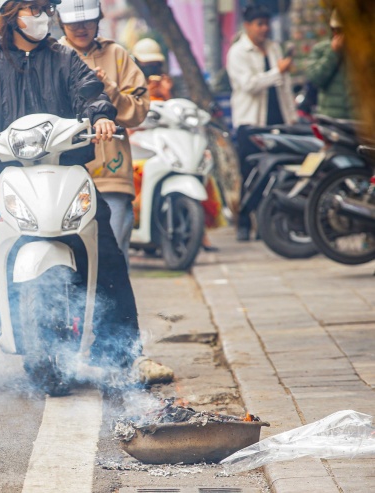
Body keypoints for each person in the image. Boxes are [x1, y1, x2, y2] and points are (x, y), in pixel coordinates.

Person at [0, 0, 143, 387]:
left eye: (43, 8)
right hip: (3, 178)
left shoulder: (66, 60)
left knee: (105, 252)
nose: (39, 15)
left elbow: (91, 94)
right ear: (11, 15)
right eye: (30, 8)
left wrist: (102, 115)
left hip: (66, 172)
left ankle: (126, 354)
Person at [57, 0, 175, 385]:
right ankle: (65, 352)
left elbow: (139, 111)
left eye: (87, 21)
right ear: (60, 22)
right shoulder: (51, 56)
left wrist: (108, 91)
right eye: (73, 23)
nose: (81, 29)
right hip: (64, 175)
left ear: (97, 20)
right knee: (66, 263)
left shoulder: (118, 55)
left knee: (115, 261)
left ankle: (116, 352)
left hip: (110, 175)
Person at [133, 37, 224, 252]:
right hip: (139, 144)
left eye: (155, 65)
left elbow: (178, 112)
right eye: (146, 66)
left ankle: (200, 232)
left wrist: (166, 92)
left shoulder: (167, 83)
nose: (151, 70)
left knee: (201, 171)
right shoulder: (129, 82)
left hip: (167, 142)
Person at [226, 3, 297, 241]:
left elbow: (284, 87)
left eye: (267, 24)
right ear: (247, 26)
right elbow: (249, 85)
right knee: (250, 175)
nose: (264, 29)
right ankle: (244, 223)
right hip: (251, 123)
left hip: (278, 122)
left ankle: (268, 225)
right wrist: (277, 71)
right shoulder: (237, 52)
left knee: (276, 173)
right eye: (260, 24)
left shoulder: (274, 48)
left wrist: (292, 116)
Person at [304, 9, 354, 120]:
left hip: (358, 119)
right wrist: (333, 53)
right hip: (331, 119)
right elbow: (315, 79)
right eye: (336, 30)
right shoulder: (321, 49)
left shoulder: (362, 52)